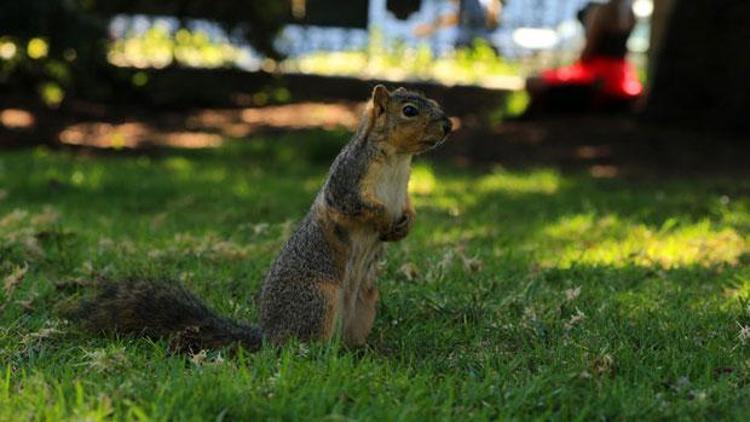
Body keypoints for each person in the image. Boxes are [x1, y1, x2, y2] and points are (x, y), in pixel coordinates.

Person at [526, 0, 643, 113]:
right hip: (620, 76)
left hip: (597, 74)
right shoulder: (632, 13)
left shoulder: (601, 11)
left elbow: (587, 53)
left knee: (535, 81)